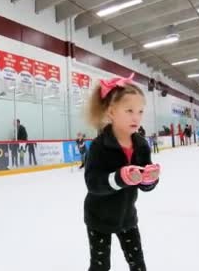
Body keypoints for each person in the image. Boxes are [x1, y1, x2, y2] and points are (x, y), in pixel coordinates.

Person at [83, 73, 160, 271]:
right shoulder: (99, 146)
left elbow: (144, 186)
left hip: (127, 216)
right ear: (111, 112)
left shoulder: (141, 145)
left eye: (140, 111)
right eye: (129, 111)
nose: (137, 117)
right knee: (100, 267)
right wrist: (119, 178)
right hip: (99, 218)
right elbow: (93, 183)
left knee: (138, 264)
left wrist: (149, 179)